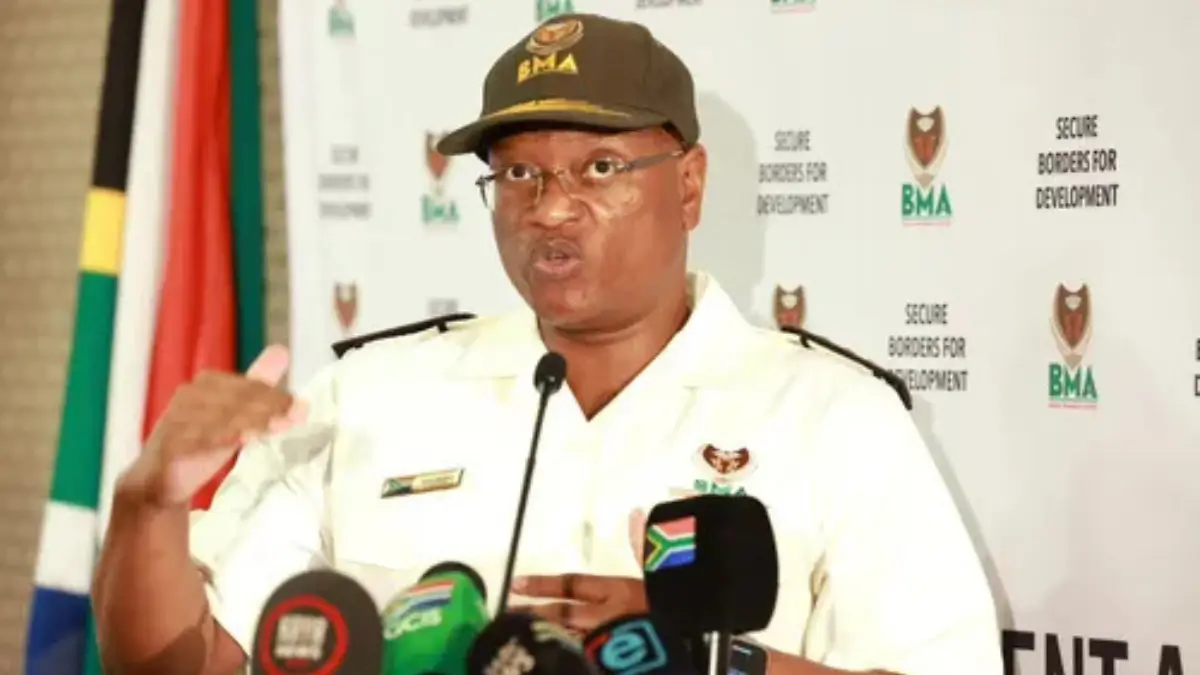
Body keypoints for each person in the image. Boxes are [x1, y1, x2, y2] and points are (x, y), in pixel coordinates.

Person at [93, 12, 1002, 675]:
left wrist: (710, 660)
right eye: (520, 172)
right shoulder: (365, 396)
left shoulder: (834, 417)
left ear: (689, 185)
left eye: (600, 168)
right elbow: (185, 660)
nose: (551, 208)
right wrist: (147, 505)